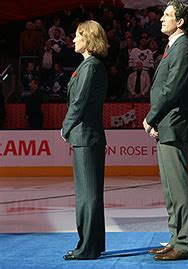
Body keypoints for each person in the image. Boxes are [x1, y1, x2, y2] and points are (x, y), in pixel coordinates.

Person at [143, 0, 188, 261]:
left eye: (167, 15)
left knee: (178, 186)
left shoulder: (183, 48)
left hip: (174, 123)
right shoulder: (173, 47)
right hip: (167, 124)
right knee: (169, 187)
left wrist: (151, 117)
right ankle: (176, 237)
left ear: (180, 22)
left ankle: (185, 243)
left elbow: (172, 89)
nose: (162, 18)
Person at [61, 20, 108, 260]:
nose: (73, 40)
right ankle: (93, 243)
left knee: (87, 196)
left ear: (88, 39)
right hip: (86, 137)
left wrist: (65, 128)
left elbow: (78, 103)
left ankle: (87, 247)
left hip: (86, 137)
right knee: (89, 194)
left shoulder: (91, 67)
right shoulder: (89, 66)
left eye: (78, 35)